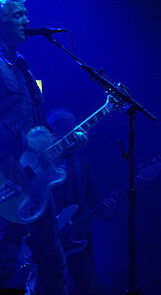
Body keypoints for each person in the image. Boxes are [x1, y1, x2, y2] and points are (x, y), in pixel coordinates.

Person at [0, 0, 70, 294]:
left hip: (35, 178)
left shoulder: (21, 66)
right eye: (17, 15)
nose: (26, 19)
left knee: (52, 264)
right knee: (2, 263)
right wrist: (20, 144)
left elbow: (33, 126)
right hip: (6, 175)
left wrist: (59, 143)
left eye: (26, 13)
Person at [42, 109, 115, 295]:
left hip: (80, 236)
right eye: (61, 128)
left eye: (71, 126)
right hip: (48, 235)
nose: (69, 132)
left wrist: (106, 209)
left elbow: (93, 196)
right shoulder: (40, 163)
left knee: (88, 286)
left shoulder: (83, 163)